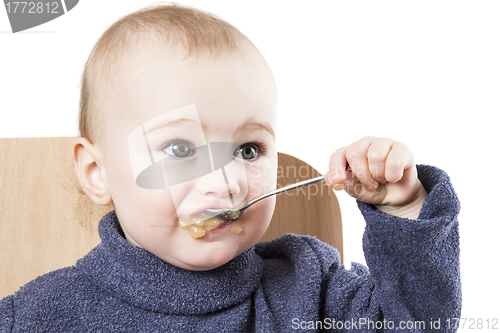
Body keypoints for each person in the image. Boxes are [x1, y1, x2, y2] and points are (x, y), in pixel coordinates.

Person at [0, 4, 460, 332]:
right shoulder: (37, 316)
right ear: (97, 173)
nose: (227, 182)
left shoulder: (308, 284)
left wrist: (405, 209)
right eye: (180, 149)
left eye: (248, 150)